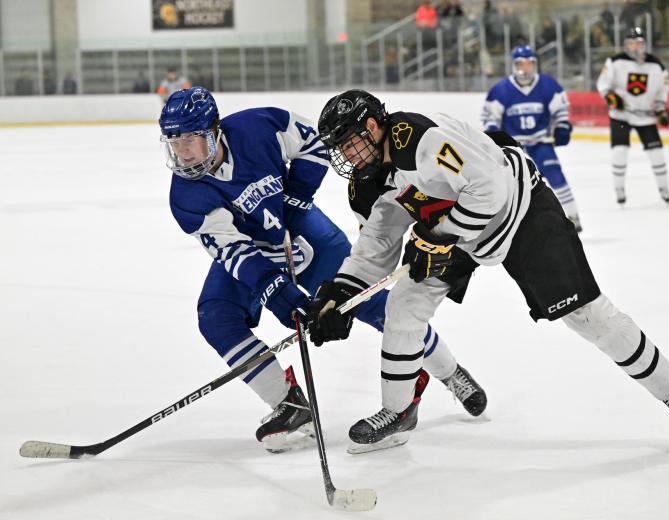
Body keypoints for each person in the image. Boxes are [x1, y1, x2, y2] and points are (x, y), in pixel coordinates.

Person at [311, 89, 669, 452]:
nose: (346, 156)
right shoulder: (365, 185)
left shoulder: (418, 138)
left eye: (349, 143)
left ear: (373, 126)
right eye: (339, 149)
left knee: (587, 316)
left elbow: (490, 189)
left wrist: (439, 238)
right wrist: (339, 293)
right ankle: (398, 412)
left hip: (519, 210)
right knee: (403, 306)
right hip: (457, 232)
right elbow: (376, 246)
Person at [158, 87, 487, 453]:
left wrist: (296, 202)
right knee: (216, 315)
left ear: (214, 130)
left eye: (190, 138)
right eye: (174, 141)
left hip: (308, 235)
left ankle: (450, 372)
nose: (182, 151)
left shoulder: (259, 126)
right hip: (257, 256)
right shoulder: (186, 197)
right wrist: (282, 298)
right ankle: (289, 403)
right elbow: (234, 252)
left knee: (377, 307)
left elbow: (313, 143)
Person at [482, 46, 582, 232]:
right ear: (514, 65)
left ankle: (573, 215)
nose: (525, 69)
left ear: (535, 65)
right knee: (512, 187)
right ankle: (510, 224)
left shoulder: (547, 85)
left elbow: (560, 109)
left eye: (529, 64)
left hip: (540, 143)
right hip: (515, 148)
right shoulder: (501, 90)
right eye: (521, 64)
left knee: (556, 176)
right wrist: (494, 134)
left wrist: (561, 126)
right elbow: (490, 118)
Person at [596, 26, 669, 206]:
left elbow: (663, 90)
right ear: (626, 45)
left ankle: (664, 188)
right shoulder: (615, 61)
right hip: (620, 115)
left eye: (639, 43)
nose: (635, 47)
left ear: (644, 44)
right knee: (620, 151)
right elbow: (603, 84)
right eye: (631, 43)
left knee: (657, 153)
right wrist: (612, 97)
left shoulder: (656, 65)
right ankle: (619, 189)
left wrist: (661, 108)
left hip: (645, 117)